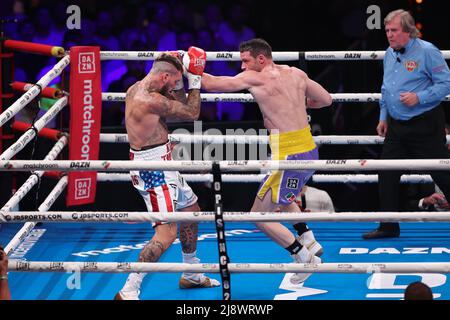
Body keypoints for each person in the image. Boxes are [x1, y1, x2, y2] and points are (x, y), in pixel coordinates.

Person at [201, 38, 333, 284]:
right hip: (307, 149)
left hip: (288, 155)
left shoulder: (257, 78)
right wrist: (297, 104)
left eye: (245, 61)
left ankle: (304, 258)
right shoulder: (296, 73)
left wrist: (190, 65)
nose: (242, 67)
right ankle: (309, 239)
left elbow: (214, 84)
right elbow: (326, 99)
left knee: (258, 216)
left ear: (261, 59)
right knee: (282, 195)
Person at [115, 50, 219, 300]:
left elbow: (181, 103)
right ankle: (129, 289)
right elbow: (192, 113)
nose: (176, 85)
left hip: (164, 162)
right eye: (174, 81)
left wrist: (183, 73)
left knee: (191, 210)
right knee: (166, 233)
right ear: (163, 77)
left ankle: (191, 272)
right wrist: (195, 78)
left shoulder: (140, 88)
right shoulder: (149, 99)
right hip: (153, 171)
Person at [363, 9, 450, 239]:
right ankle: (388, 226)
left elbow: (446, 84)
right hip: (397, 126)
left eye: (394, 30)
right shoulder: (389, 53)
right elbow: (386, 87)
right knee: (387, 172)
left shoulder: (428, 52)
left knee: (443, 173)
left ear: (408, 31)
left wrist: (419, 97)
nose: (389, 35)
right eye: (387, 30)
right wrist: (383, 116)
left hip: (425, 124)